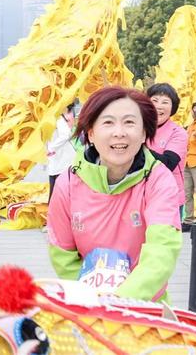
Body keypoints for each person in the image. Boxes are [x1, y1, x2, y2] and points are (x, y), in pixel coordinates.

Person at [47, 86, 182, 302]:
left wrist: (121, 301)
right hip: (88, 307)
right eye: (108, 122)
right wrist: (91, 299)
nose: (119, 132)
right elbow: (62, 253)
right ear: (90, 133)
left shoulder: (158, 179)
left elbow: (162, 250)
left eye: (129, 122)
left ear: (144, 133)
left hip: (146, 306)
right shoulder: (69, 182)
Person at [145, 83, 188, 217]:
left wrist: (137, 147)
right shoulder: (137, 127)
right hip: (139, 195)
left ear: (172, 108)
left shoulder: (178, 133)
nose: (159, 106)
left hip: (168, 197)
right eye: (154, 101)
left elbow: (168, 163)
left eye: (165, 102)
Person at [46, 103, 77, 201]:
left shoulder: (57, 118)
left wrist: (51, 148)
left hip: (64, 161)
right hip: (56, 161)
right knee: (57, 192)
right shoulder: (47, 119)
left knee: (59, 192)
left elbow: (65, 134)